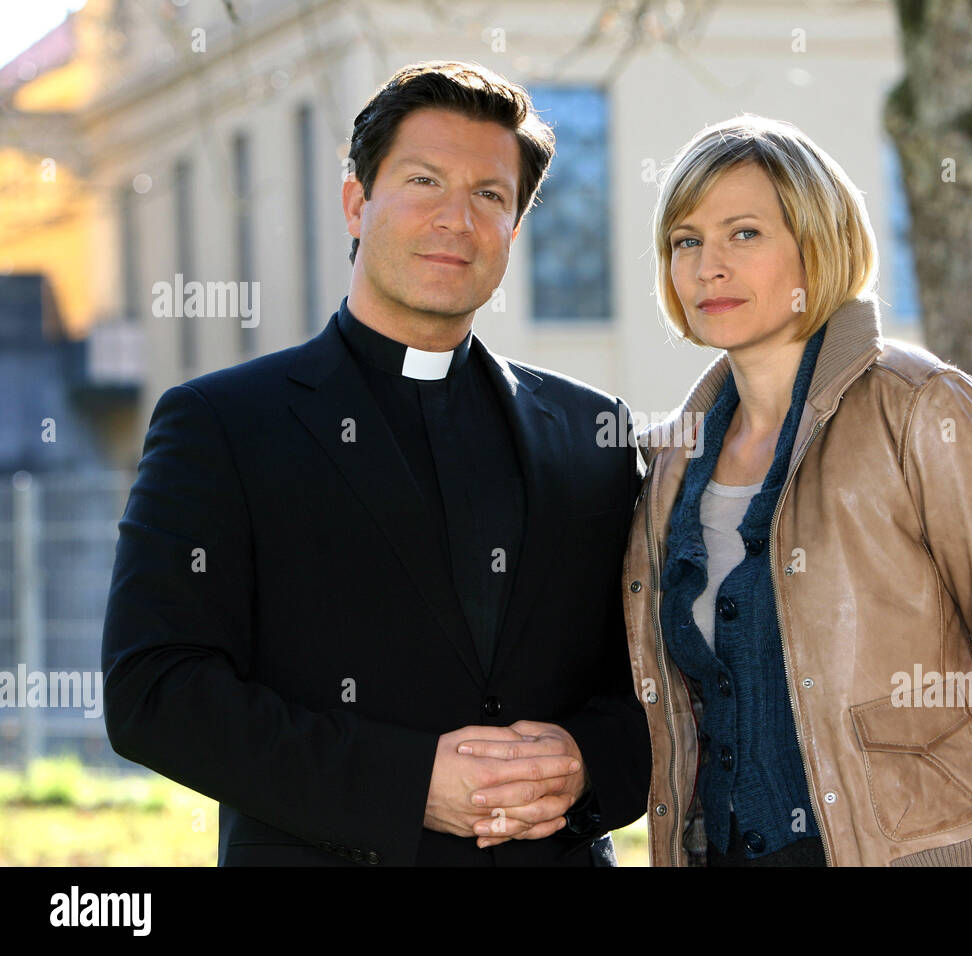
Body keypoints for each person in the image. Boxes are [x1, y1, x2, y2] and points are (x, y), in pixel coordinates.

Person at [101, 60, 650, 866]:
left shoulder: (593, 430)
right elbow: (154, 692)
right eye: (425, 181)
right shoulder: (222, 423)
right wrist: (407, 781)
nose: (456, 220)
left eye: (490, 196)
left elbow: (655, 684)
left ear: (515, 230)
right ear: (357, 201)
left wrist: (585, 766)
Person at [623, 114, 972, 866]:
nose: (708, 265)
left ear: (818, 246)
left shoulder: (920, 407)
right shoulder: (673, 465)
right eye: (686, 241)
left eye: (744, 234)